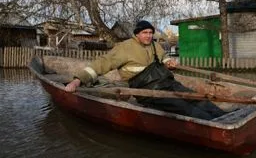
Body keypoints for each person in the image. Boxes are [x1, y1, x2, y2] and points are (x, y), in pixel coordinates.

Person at [65, 20, 225, 120]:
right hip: (147, 91)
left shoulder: (155, 45)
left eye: (150, 32)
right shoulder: (124, 48)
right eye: (144, 33)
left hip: (167, 83)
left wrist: (170, 62)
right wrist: (77, 80)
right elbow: (101, 64)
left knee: (195, 97)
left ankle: (224, 117)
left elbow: (163, 58)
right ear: (137, 34)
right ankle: (212, 124)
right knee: (183, 106)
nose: (148, 36)